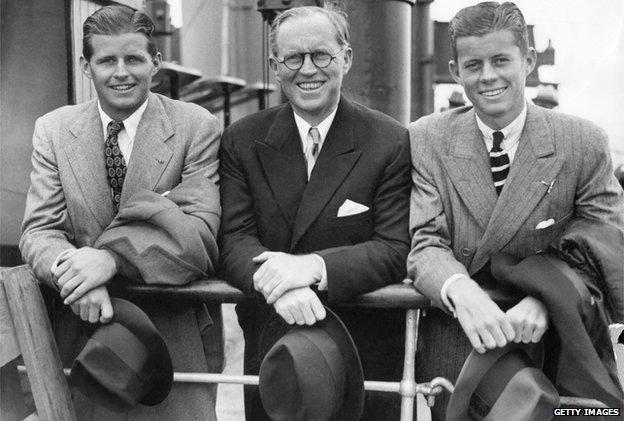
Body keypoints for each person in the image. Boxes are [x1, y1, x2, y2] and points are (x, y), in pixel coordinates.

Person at [406, 2, 624, 420]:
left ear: (528, 61)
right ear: (455, 71)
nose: (488, 76)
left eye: (501, 60)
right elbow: (424, 242)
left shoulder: (582, 141)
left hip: (555, 350)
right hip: (458, 346)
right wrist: (458, 288)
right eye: (473, 65)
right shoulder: (426, 138)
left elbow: (606, 242)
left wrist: (548, 298)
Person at [19, 5, 222, 420]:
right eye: (106, 60)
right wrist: (73, 275)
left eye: (134, 59)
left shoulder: (196, 126)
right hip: (85, 337)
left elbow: (198, 236)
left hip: (173, 340)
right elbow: (40, 230)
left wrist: (107, 260)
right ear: (85, 66)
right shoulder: (53, 130)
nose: (121, 72)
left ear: (156, 63)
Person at [218, 5, 411, 419]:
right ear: (275, 66)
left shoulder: (389, 141)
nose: (308, 70)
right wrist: (281, 286)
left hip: (364, 356)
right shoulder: (242, 141)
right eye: (293, 58)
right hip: (276, 346)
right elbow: (233, 239)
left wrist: (310, 268)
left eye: (321, 55)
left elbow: (394, 248)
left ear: (346, 57)